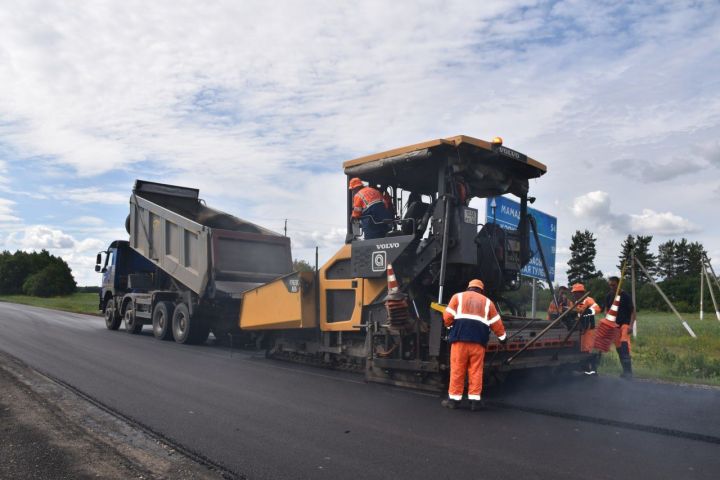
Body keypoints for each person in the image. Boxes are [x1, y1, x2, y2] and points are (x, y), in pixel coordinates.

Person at [441, 279, 507, 411]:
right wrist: (503, 338)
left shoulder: (458, 297)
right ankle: (474, 402)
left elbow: (447, 317)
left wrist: (449, 327)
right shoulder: (488, 302)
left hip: (459, 342)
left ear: (469, 288)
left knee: (457, 370)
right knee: (476, 371)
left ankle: (454, 401)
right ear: (481, 290)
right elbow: (496, 323)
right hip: (478, 344)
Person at [605, 276, 636, 379]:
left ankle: (629, 373)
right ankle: (625, 371)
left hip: (624, 324)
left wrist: (631, 325)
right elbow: (607, 310)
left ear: (618, 284)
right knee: (619, 350)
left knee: (624, 347)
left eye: (613, 285)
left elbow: (632, 312)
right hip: (615, 326)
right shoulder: (609, 296)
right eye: (610, 285)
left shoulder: (625, 295)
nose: (612, 287)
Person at [570, 283, 602, 375]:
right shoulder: (577, 302)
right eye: (573, 293)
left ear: (580, 293)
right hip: (581, 330)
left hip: (589, 330)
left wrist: (587, 311)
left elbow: (598, 309)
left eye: (575, 293)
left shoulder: (588, 300)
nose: (574, 295)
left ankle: (593, 371)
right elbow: (578, 315)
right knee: (582, 350)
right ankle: (586, 370)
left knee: (588, 350)